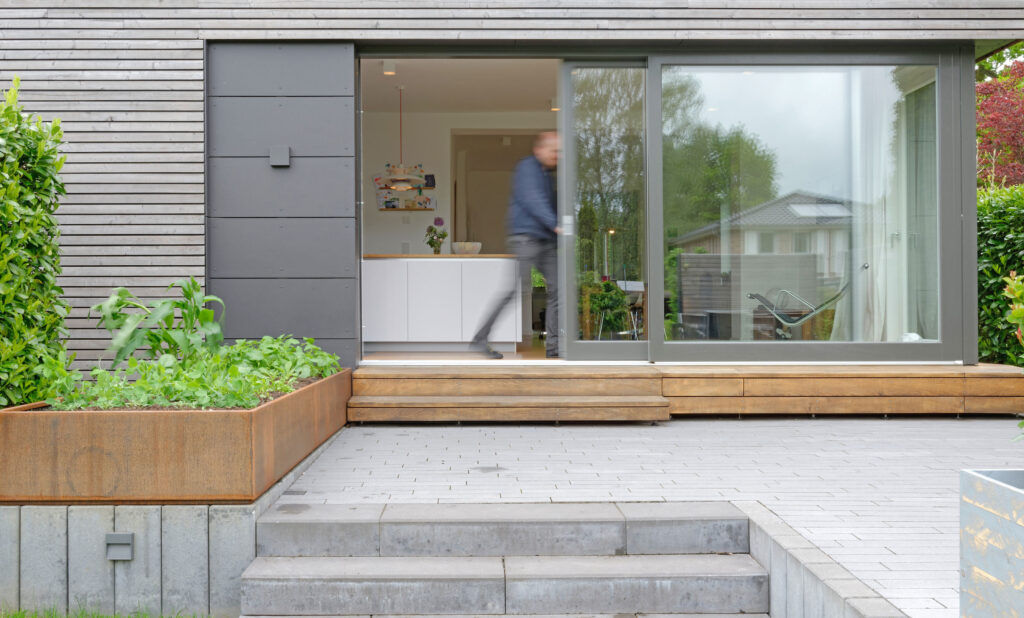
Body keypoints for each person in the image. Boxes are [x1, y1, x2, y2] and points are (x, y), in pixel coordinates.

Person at [472, 131, 561, 359]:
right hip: (525, 238)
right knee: (517, 289)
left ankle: (554, 348)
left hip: (545, 241)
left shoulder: (547, 175)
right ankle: (480, 339)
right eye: (553, 151)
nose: (557, 155)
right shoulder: (528, 168)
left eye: (559, 152)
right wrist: (555, 224)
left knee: (558, 288)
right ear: (539, 150)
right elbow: (533, 200)